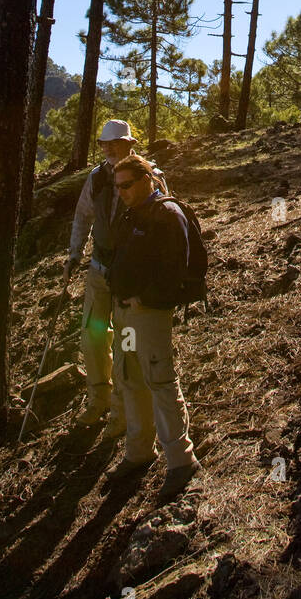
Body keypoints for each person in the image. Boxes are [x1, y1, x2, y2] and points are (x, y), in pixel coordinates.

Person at [105, 154, 201, 501]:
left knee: (160, 378)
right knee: (130, 376)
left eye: (127, 185)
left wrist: (145, 299)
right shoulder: (133, 214)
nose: (122, 193)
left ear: (147, 179)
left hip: (149, 313)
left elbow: (176, 268)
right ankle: (138, 451)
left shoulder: (166, 214)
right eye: (118, 188)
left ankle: (181, 461)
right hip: (126, 312)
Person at [65, 120, 140, 436]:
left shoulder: (148, 176)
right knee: (93, 336)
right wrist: (73, 254)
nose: (109, 148)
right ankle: (98, 399)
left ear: (128, 145)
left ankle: (122, 411)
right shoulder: (95, 178)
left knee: (126, 340)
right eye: (105, 144)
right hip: (98, 269)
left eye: (115, 143)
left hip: (130, 275)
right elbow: (83, 217)